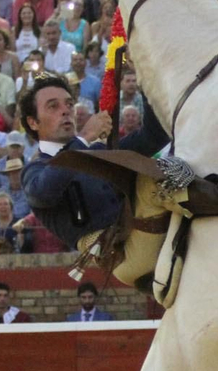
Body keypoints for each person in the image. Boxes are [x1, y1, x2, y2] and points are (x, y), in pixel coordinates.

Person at [18, 74, 169, 251]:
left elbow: (154, 136)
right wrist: (84, 137)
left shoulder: (99, 152)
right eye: (53, 106)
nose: (66, 110)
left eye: (68, 104)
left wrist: (144, 81)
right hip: (109, 257)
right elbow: (44, 191)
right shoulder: (35, 171)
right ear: (33, 122)